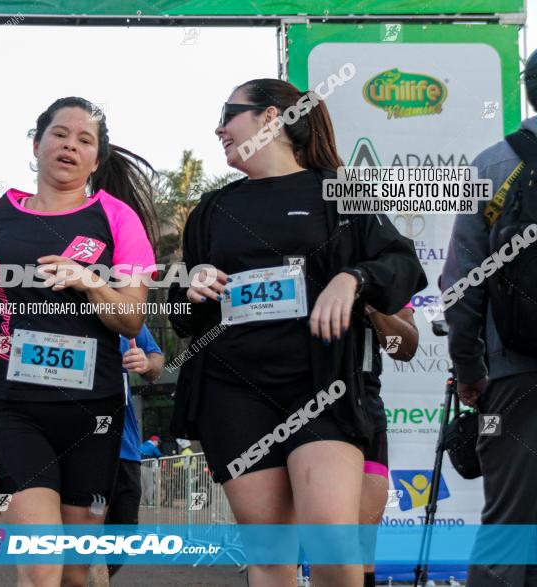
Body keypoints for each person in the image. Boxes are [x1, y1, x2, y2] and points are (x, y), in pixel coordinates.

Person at [167, 78, 426, 586]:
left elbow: (401, 263)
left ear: (270, 119)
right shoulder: (212, 210)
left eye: (230, 113)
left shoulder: (339, 190)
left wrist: (354, 278)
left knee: (331, 539)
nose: (218, 127)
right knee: (269, 556)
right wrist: (191, 283)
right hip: (232, 392)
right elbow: (185, 319)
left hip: (321, 385)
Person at [0, 96, 158, 587]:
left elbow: (130, 317)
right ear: (36, 144)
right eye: (60, 134)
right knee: (41, 563)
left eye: (84, 140)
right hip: (10, 406)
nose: (69, 146)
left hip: (91, 412)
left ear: (96, 160)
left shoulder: (118, 221)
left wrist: (88, 280)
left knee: (77, 572)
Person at [440, 50, 537, 587]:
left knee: (510, 521)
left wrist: (470, 367)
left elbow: (463, 280)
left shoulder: (494, 164)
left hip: (512, 374)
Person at [358, 304, 418, 587]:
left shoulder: (380, 269)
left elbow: (405, 349)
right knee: (285, 542)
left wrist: (372, 304)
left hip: (362, 410)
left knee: (362, 540)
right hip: (294, 408)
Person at [102, 326, 164, 580]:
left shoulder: (121, 310)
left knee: (124, 538)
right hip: (73, 444)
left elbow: (156, 359)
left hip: (124, 448)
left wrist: (146, 363)